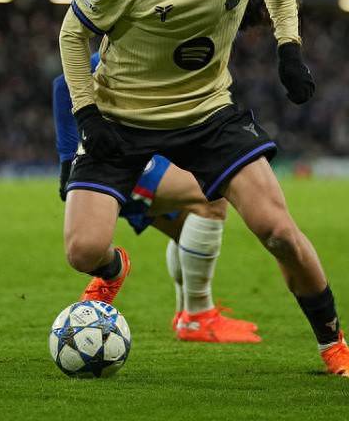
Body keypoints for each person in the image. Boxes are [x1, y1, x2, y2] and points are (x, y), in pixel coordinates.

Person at [58, 0, 349, 378]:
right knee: (82, 252)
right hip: (119, 118)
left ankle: (334, 346)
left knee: (279, 230)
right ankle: (114, 269)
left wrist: (289, 47)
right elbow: (72, 34)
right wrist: (87, 114)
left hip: (207, 113)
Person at [53, 53, 260, 343]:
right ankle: (198, 315)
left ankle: (188, 316)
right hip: (116, 156)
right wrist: (67, 159)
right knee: (211, 196)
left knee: (187, 224)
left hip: (141, 152)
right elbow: (63, 84)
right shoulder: (146, 45)